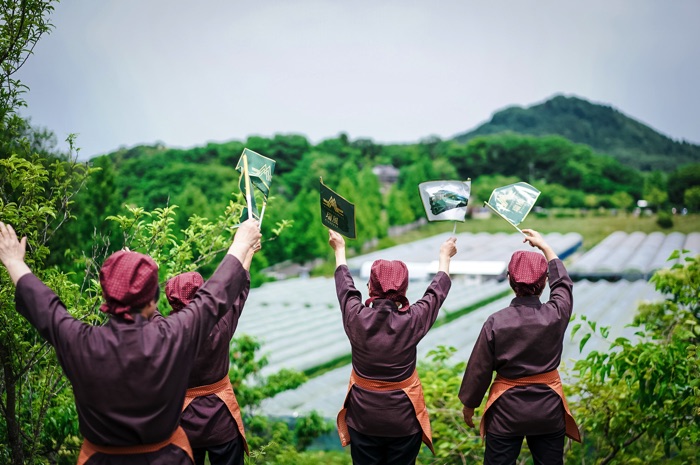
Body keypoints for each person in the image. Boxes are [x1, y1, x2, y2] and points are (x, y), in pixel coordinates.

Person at [0, 219, 261, 465]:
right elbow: (213, 298)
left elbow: (46, 309)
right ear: (152, 300)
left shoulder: (79, 342)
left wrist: (13, 261)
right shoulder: (174, 336)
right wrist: (241, 243)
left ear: (106, 297)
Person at [328, 229, 457, 465]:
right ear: (404, 290)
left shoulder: (356, 317)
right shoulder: (413, 319)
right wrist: (445, 257)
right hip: (404, 421)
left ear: (370, 288)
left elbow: (345, 287)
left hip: (363, 419)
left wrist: (340, 249)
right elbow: (436, 293)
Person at [458, 229, 580, 465]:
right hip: (548, 410)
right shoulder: (556, 314)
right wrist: (546, 247)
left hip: (506, 412)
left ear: (510, 279)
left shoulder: (496, 321)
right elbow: (564, 284)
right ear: (544, 281)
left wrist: (469, 405)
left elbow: (479, 368)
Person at [162, 242, 257, 465]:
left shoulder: (165, 331)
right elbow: (239, 289)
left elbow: (146, 312)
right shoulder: (221, 324)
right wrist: (248, 251)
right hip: (221, 422)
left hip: (182, 423)